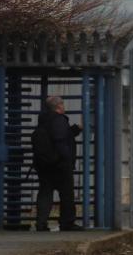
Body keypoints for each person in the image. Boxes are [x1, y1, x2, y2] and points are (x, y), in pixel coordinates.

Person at [35, 96, 84, 231]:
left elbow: (60, 135)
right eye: (62, 103)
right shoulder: (59, 120)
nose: (64, 105)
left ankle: (41, 223)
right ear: (59, 106)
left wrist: (77, 128)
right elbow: (60, 139)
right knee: (67, 194)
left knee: (45, 193)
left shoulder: (44, 120)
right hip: (59, 165)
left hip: (44, 164)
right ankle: (67, 222)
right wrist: (67, 159)